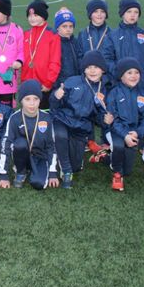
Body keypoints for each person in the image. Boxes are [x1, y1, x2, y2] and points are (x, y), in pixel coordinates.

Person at [49, 51, 114, 188]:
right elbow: (54, 105)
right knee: (60, 136)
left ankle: (69, 161)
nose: (92, 71)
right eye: (88, 67)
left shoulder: (106, 89)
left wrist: (104, 120)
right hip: (63, 120)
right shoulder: (72, 81)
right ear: (84, 69)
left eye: (96, 67)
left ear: (102, 69)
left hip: (81, 126)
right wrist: (56, 96)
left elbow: (98, 117)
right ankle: (66, 170)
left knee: (76, 166)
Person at [0, 80, 59, 190]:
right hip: (22, 155)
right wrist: (3, 174)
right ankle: (21, 171)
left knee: (38, 184)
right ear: (21, 100)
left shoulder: (46, 118)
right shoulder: (14, 118)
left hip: (40, 157)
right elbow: (6, 144)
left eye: (35, 99)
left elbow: (52, 145)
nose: (32, 103)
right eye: (27, 99)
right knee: (20, 143)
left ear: (40, 100)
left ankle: (37, 170)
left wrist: (52, 172)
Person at [105, 58, 144, 192]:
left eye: (137, 72)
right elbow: (113, 119)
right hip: (116, 130)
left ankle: (106, 158)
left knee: (128, 171)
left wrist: (138, 132)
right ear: (121, 76)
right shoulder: (114, 93)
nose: (134, 76)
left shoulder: (143, 93)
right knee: (119, 148)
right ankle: (117, 175)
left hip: (134, 132)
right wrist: (125, 135)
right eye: (129, 72)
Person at [20, 0, 61, 109]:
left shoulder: (52, 35)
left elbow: (55, 61)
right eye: (29, 15)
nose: (32, 18)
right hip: (27, 83)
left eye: (36, 15)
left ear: (43, 16)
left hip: (43, 85)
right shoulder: (26, 34)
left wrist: (48, 82)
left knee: (43, 114)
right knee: (28, 113)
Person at [102, 0, 144, 83]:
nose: (133, 15)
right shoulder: (112, 36)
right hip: (120, 83)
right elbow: (107, 59)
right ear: (122, 14)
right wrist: (118, 74)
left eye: (136, 12)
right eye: (129, 11)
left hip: (141, 83)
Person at [53, 9, 83, 87]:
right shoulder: (54, 43)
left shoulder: (75, 41)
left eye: (71, 26)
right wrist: (57, 84)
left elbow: (80, 60)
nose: (68, 29)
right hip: (60, 84)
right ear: (57, 27)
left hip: (76, 81)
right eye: (64, 26)